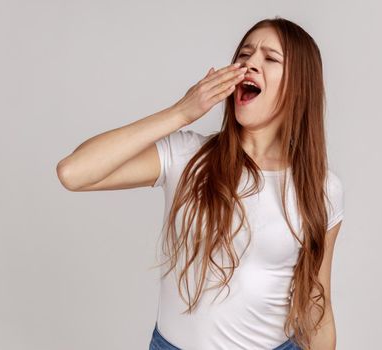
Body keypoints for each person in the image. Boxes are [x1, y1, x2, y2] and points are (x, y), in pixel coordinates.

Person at [56, 16, 343, 350]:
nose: (249, 63)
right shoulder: (187, 155)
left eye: (270, 58)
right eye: (245, 55)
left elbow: (316, 308)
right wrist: (181, 112)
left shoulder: (323, 189)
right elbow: (73, 173)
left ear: (299, 86)